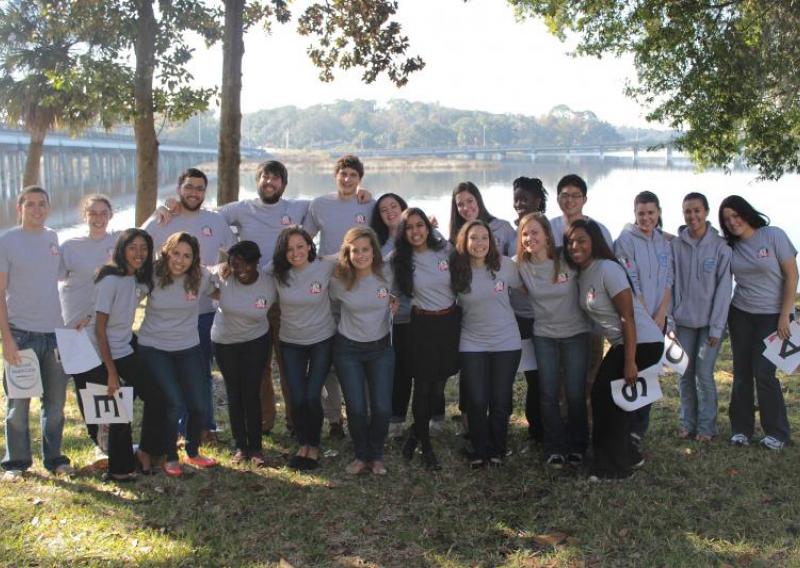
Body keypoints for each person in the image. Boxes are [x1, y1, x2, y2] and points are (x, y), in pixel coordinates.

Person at [566, 219, 664, 480]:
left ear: (594, 242)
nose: (575, 246)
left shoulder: (607, 268)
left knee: (607, 400)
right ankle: (626, 456)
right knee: (605, 398)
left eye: (581, 240)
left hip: (642, 343)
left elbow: (627, 317)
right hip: (624, 343)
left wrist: (630, 361)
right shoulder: (583, 273)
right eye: (570, 242)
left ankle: (614, 467)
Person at [143, 168, 235, 441]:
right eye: (189, 187)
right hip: (166, 316)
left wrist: (222, 272)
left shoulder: (215, 221)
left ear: (205, 192)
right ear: (179, 189)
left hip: (203, 312)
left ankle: (203, 426)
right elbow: (137, 245)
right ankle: (173, 430)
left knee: (201, 373)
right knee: (172, 378)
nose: (194, 193)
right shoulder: (164, 218)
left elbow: (233, 254)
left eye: (199, 188)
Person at [72, 228, 160, 481]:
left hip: (122, 345)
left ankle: (145, 452)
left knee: (156, 395)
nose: (139, 253)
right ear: (121, 250)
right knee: (116, 406)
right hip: (97, 351)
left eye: (144, 248)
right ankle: (120, 470)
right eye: (132, 247)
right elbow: (100, 330)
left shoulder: (140, 279)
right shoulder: (110, 279)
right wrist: (112, 373)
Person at [0, 186, 74, 479]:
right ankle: (16, 462)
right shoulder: (7, 241)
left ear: (48, 208)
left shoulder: (53, 238)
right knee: (18, 406)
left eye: (42, 204)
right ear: (19, 208)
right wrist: (7, 339)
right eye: (30, 204)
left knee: (55, 405)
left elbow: (66, 279)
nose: (37, 209)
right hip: (21, 334)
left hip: (54, 335)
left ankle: (54, 458)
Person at [304, 155, 376, 439]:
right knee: (330, 355)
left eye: (353, 175)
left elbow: (387, 232)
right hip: (330, 288)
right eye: (343, 174)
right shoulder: (319, 205)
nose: (347, 180)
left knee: (361, 352)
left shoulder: (369, 204)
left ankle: (364, 414)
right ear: (335, 176)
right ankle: (334, 419)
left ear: (360, 179)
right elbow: (305, 240)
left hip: (362, 289)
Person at [136, 232, 218, 477]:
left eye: (187, 256)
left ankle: (193, 451)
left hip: (188, 346)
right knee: (174, 402)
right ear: (166, 252)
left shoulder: (200, 276)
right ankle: (170, 456)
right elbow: (126, 300)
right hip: (154, 347)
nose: (180, 260)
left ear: (194, 259)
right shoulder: (152, 274)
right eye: (176, 253)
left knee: (199, 405)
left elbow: (223, 291)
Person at [719, 195, 797, 451]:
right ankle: (741, 430)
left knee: (764, 372)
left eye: (735, 215)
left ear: (746, 212)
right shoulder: (729, 246)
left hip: (772, 316)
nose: (732, 222)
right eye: (726, 219)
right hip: (741, 314)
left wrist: (785, 315)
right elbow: (697, 239)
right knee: (741, 373)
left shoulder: (773, 235)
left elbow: (792, 275)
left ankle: (777, 433)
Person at [516, 213, 591, 467]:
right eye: (525, 234)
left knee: (574, 393)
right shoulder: (520, 265)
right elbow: (491, 265)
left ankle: (578, 445)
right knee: (548, 393)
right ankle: (554, 447)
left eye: (535, 232)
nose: (529, 238)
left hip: (575, 334)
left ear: (547, 235)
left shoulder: (566, 259)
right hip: (544, 337)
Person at [450, 220, 522, 467]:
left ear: (491, 241)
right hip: (471, 342)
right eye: (473, 238)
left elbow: (529, 288)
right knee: (478, 400)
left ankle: (498, 449)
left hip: (507, 342)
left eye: (484, 238)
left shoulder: (505, 265)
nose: (479, 243)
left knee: (500, 399)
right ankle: (479, 450)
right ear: (464, 241)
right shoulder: (457, 269)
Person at [392, 208, 460, 471]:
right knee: (422, 387)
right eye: (409, 227)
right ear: (403, 232)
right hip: (421, 325)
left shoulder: (445, 250)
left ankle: (415, 433)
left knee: (438, 387)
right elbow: (375, 275)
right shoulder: (399, 258)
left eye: (419, 225)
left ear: (428, 227)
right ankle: (426, 448)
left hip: (448, 323)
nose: (415, 231)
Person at [58, 194, 119, 466]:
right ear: (84, 216)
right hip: (75, 329)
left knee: (108, 384)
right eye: (92, 213)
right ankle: (98, 443)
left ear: (111, 215)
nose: (98, 218)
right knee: (86, 387)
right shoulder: (70, 246)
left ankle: (113, 440)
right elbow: (50, 280)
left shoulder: (119, 244)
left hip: (106, 327)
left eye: (103, 212)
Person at [330, 226, 395, 475]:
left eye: (365, 249)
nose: (360, 255)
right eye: (354, 250)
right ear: (347, 254)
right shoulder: (339, 280)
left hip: (381, 349)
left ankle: (376, 455)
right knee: (356, 408)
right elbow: (331, 308)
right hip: (348, 350)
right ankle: (360, 455)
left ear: (374, 251)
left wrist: (395, 301)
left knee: (382, 407)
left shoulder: (387, 273)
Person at [271, 226, 337, 471]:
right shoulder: (276, 272)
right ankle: (303, 444)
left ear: (310, 246)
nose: (295, 252)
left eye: (300, 246)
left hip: (322, 339)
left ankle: (314, 445)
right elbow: (246, 271)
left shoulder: (325, 265)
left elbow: (354, 253)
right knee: (297, 397)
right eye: (289, 249)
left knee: (312, 395)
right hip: (291, 342)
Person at [614, 191, 673, 449]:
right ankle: (626, 424)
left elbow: (669, 278)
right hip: (636, 318)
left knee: (650, 371)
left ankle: (640, 427)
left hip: (659, 318)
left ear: (658, 212)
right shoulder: (625, 241)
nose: (646, 218)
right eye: (641, 213)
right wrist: (645, 313)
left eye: (651, 213)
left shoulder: (663, 242)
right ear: (634, 214)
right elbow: (630, 279)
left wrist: (662, 312)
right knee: (631, 369)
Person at [672, 192, 732, 442]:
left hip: (710, 324)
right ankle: (688, 423)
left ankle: (707, 428)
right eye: (687, 211)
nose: (692, 215)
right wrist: (671, 321)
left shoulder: (720, 247)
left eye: (697, 210)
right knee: (684, 374)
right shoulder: (676, 245)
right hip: (683, 322)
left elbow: (724, 291)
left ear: (706, 212)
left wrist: (717, 328)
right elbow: (670, 284)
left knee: (704, 374)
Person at [211, 241, 276, 466]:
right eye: (235, 264)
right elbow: (201, 273)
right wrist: (219, 266)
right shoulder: (224, 275)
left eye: (246, 264)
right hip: (225, 342)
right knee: (234, 392)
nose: (241, 270)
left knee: (251, 392)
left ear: (256, 262)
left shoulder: (269, 282)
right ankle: (240, 446)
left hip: (255, 341)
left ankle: (256, 448)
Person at [371, 193, 413, 439]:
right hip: (393, 319)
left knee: (426, 367)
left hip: (423, 314)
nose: (389, 212)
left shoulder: (420, 233)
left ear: (403, 207)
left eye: (394, 206)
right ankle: (396, 419)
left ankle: (434, 415)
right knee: (399, 370)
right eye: (383, 209)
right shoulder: (378, 244)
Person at [510, 176, 548, 442]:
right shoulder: (508, 231)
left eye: (525, 199)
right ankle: (534, 427)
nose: (520, 204)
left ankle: (544, 426)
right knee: (531, 375)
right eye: (516, 200)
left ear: (538, 200)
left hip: (547, 318)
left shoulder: (547, 228)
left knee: (545, 376)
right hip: (519, 319)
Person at [449, 181, 516, 255]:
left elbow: (517, 258)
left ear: (478, 200)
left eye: (470, 201)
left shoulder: (503, 228)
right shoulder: (455, 236)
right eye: (460, 204)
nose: (466, 208)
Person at [549, 174, 613, 248]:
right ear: (558, 199)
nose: (569, 200)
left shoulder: (600, 230)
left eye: (575, 195)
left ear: (584, 200)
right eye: (565, 196)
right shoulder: (548, 228)